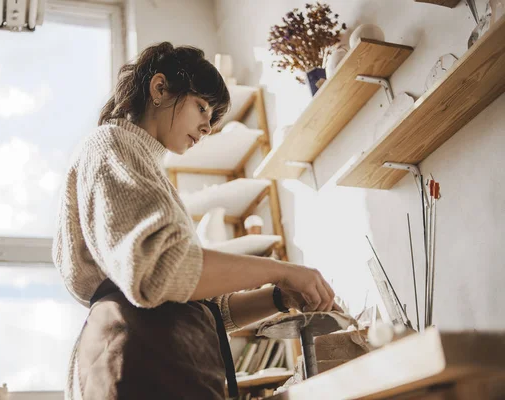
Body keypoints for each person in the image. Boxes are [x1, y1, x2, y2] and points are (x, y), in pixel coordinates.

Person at [53, 42, 340, 400]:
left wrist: (280, 297)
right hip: (138, 358)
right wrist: (281, 270)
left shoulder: (148, 169)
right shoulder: (112, 144)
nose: (207, 127)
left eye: (212, 120)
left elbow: (205, 306)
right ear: (159, 88)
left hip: (160, 358)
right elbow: (161, 273)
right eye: (201, 107)